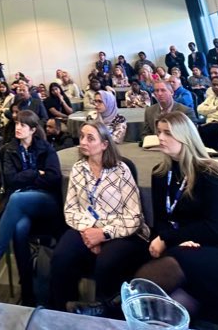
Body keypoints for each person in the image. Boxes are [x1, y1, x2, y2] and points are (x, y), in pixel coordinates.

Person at [131, 112, 218, 317]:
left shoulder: (212, 175)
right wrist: (170, 239)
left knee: (171, 263)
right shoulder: (161, 173)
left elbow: (215, 229)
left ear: (186, 137)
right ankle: (121, 311)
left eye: (168, 133)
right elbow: (161, 220)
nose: (160, 138)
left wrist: (170, 239)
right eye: (159, 132)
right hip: (191, 252)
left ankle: (111, 309)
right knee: (170, 304)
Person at [51, 122, 150, 312]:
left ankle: (103, 316)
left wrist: (103, 234)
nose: (83, 142)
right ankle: (61, 312)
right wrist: (90, 233)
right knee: (61, 257)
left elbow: (134, 216)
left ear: (104, 144)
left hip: (122, 230)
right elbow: (71, 209)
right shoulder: (78, 169)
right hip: (86, 227)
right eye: (81, 137)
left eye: (90, 138)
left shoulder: (121, 170)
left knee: (107, 263)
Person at [0, 110, 62, 306]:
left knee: (16, 198)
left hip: (45, 201)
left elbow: (53, 178)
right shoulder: (8, 150)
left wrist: (29, 175)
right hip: (19, 204)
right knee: (18, 228)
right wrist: (35, 173)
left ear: (33, 129)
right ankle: (27, 290)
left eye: (23, 125)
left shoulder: (45, 148)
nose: (18, 128)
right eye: (16, 124)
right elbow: (12, 180)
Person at [196, 77, 218, 149]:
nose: (216, 87)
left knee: (204, 131)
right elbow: (199, 109)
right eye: (214, 85)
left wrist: (208, 114)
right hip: (208, 124)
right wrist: (215, 108)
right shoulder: (211, 97)